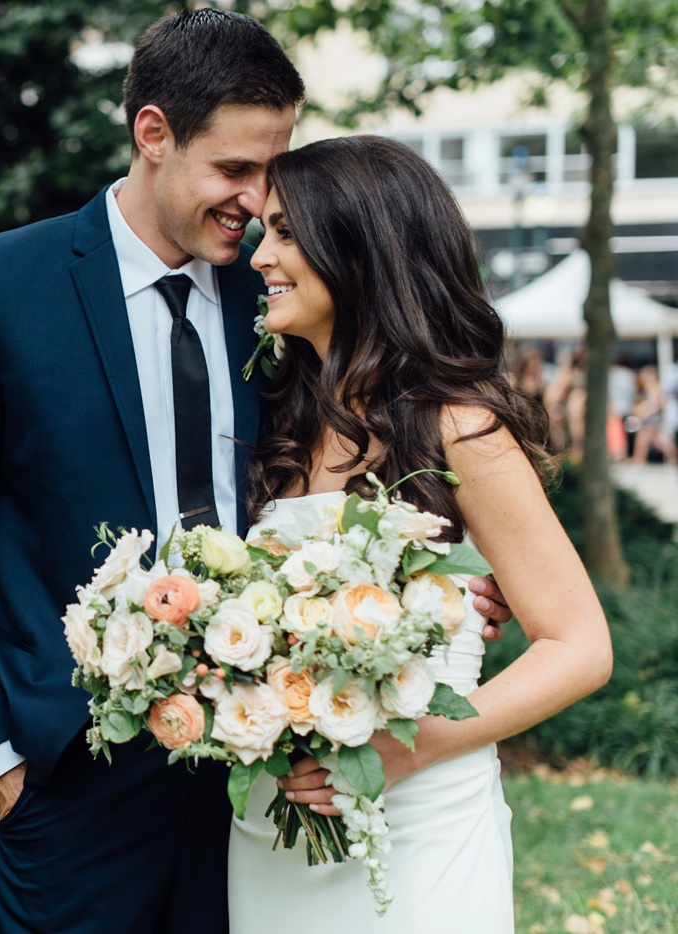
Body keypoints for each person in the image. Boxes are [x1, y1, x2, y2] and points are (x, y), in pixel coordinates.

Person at [0, 12, 512, 931]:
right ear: (153, 134)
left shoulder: (287, 290)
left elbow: (380, 440)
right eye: (235, 169)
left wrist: (445, 580)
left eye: (273, 168)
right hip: (71, 780)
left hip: (265, 776)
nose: (259, 202)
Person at [233, 135, 612, 932]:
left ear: (361, 249)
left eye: (286, 232)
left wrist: (417, 747)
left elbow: (579, 645)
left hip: (422, 830)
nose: (261, 254)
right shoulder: (279, 423)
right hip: (272, 836)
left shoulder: (458, 427)